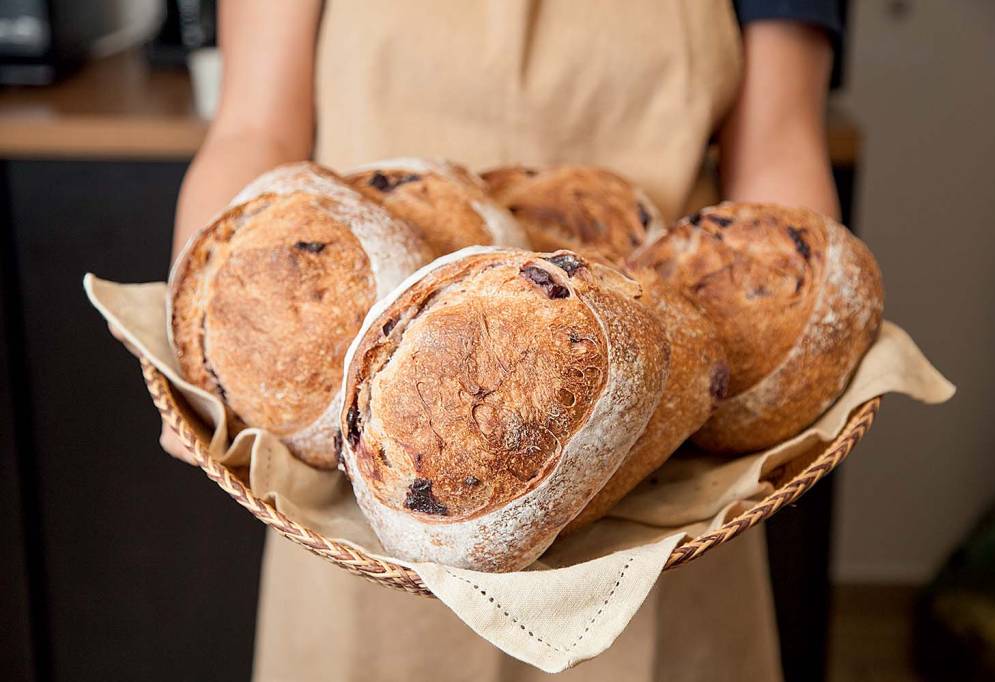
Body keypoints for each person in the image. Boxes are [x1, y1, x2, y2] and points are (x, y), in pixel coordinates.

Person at [166, 1, 843, 679]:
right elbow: (255, 127)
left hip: (665, 481)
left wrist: (811, 339)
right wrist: (202, 357)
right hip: (370, 479)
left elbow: (778, 144)